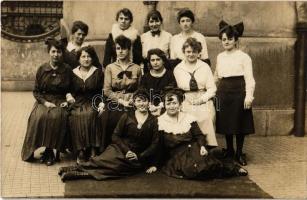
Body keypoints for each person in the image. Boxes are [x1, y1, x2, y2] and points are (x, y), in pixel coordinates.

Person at [146, 87, 248, 180]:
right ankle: (228, 169)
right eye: (168, 104)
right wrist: (155, 164)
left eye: (174, 103)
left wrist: (203, 146)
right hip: (177, 154)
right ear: (164, 105)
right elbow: (157, 144)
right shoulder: (160, 122)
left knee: (207, 165)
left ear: (180, 104)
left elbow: (199, 135)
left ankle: (233, 168)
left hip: (194, 148)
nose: (172, 106)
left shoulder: (188, 118)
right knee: (192, 170)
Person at [58, 89, 159, 181]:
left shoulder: (153, 120)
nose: (142, 104)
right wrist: (127, 151)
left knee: (115, 169)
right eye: (138, 101)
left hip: (136, 158)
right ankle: (70, 169)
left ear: (149, 102)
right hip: (120, 149)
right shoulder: (127, 116)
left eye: (144, 101)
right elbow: (115, 136)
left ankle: (75, 175)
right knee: (101, 161)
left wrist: (139, 156)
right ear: (134, 103)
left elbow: (154, 144)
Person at [21, 38, 72, 166]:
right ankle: (34, 149)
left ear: (62, 53)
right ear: (49, 52)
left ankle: (50, 150)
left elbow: (72, 89)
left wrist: (68, 99)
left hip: (60, 100)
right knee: (38, 116)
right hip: (44, 100)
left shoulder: (67, 70)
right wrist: (45, 103)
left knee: (57, 116)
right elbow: (36, 91)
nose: (56, 55)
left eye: (59, 52)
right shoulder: (42, 69)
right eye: (53, 51)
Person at [214, 21, 256, 166]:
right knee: (226, 122)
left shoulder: (244, 57)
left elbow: (250, 79)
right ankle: (230, 150)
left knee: (239, 123)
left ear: (236, 40)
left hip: (239, 90)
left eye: (230, 39)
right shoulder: (220, 56)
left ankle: (239, 152)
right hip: (224, 91)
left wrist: (249, 96)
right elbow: (217, 76)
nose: (226, 42)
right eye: (224, 39)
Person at [173, 37, 218, 148]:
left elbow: (212, 88)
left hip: (203, 98)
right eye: (188, 51)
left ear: (198, 53)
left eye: (194, 51)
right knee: (186, 119)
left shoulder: (204, 67)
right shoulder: (178, 69)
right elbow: (176, 90)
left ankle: (207, 147)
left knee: (207, 117)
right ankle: (191, 149)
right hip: (185, 100)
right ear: (184, 52)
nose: (191, 54)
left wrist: (201, 99)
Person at [101, 35, 142, 147]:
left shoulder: (137, 68)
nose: (121, 51)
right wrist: (121, 101)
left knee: (134, 121)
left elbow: (139, 89)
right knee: (111, 118)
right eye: (118, 48)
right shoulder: (110, 68)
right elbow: (107, 91)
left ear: (129, 50)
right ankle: (111, 148)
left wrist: (133, 100)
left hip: (132, 101)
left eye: (123, 48)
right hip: (115, 100)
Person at [68, 46, 104, 163]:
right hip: (77, 102)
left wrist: (101, 103)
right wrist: (69, 96)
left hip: (93, 101)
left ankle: (93, 149)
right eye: (83, 56)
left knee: (91, 114)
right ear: (79, 59)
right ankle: (80, 150)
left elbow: (101, 91)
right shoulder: (73, 73)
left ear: (92, 58)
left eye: (89, 56)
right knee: (76, 116)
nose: (86, 59)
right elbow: (67, 89)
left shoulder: (97, 72)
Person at [140, 48, 176, 116]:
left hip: (166, 107)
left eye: (158, 59)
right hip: (149, 108)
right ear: (149, 62)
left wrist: (161, 105)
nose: (155, 62)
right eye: (152, 60)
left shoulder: (169, 75)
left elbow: (172, 92)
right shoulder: (145, 77)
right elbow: (142, 93)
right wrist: (149, 105)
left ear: (163, 61)